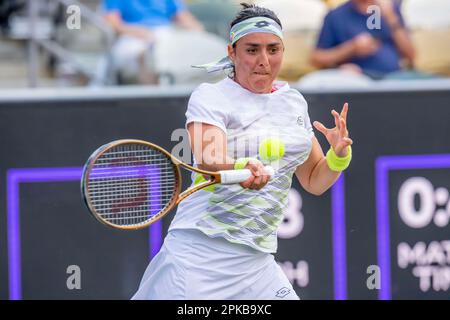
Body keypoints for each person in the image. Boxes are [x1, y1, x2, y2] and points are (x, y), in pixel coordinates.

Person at [132, 3, 353, 300]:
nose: (264, 60)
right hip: (198, 258)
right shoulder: (210, 96)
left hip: (257, 264)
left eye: (273, 49)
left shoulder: (294, 102)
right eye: (252, 50)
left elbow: (314, 180)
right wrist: (244, 167)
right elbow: (211, 159)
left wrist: (337, 156)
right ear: (232, 52)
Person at [102, 0, 204, 83]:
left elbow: (184, 17)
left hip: (165, 33)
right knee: (146, 57)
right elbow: (113, 23)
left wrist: (198, 32)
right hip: (132, 37)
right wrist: (138, 32)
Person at [310, 0, 416, 79]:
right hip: (356, 81)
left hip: (394, 79)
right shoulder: (336, 16)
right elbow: (316, 59)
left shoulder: (391, 10)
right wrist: (351, 49)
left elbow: (411, 55)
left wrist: (391, 17)